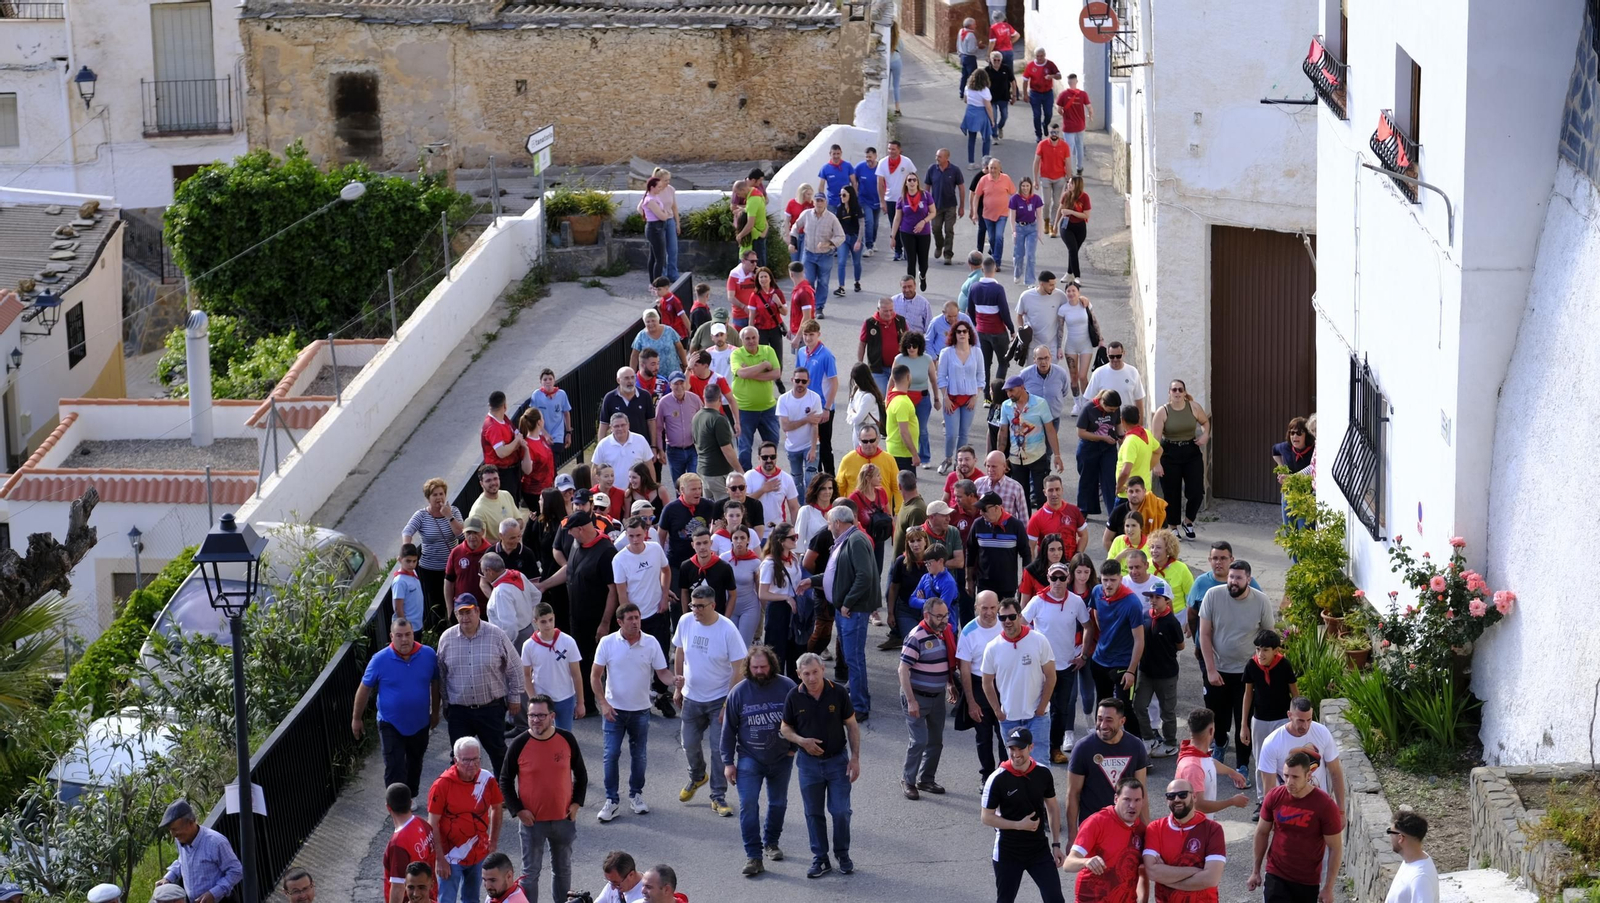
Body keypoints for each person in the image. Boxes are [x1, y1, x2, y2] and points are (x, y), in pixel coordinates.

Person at [780, 652, 862, 878]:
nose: (812, 678)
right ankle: (821, 858)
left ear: (823, 669)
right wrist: (801, 741)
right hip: (808, 765)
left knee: (841, 811)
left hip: (837, 761)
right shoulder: (793, 697)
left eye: (815, 672)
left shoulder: (838, 692)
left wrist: (855, 758)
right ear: (798, 675)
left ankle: (842, 854)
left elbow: (852, 726)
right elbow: (785, 728)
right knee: (813, 813)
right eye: (806, 674)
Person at [591, 603, 676, 822]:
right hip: (614, 711)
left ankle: (636, 795)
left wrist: (676, 680)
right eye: (630, 618)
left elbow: (663, 673)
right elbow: (595, 676)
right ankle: (611, 800)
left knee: (639, 756)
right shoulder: (607, 643)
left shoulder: (651, 643)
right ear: (619, 622)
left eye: (637, 617)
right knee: (611, 754)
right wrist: (603, 703)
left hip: (640, 710)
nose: (635, 622)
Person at [672, 582, 749, 817]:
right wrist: (679, 686)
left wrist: (728, 702)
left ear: (713, 605)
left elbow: (739, 667)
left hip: (719, 700)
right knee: (689, 744)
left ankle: (718, 796)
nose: (695, 610)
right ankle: (697, 776)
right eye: (693, 605)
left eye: (700, 606)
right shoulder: (685, 621)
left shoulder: (727, 630)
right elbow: (679, 651)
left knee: (719, 750)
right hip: (691, 697)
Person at [500, 694, 587, 903]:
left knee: (563, 871)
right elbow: (504, 780)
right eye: (531, 715)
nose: (535, 720)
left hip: (563, 820)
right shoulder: (519, 744)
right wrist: (518, 810)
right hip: (532, 823)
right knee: (530, 875)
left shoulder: (567, 739)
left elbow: (581, 775)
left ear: (552, 716)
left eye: (540, 715)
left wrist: (576, 804)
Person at [720, 645, 798, 876]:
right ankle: (753, 856)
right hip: (749, 758)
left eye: (764, 666)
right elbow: (728, 730)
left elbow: (801, 719)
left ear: (771, 665)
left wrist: (794, 747)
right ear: (748, 667)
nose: (760, 671)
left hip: (782, 757)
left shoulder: (788, 687)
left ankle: (771, 843)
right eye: (755, 667)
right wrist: (728, 763)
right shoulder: (739, 692)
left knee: (778, 803)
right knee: (748, 805)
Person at [1199, 560, 1276, 774]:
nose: (1233, 582)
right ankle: (1220, 744)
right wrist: (1211, 669)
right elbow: (1204, 634)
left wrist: (1260, 666)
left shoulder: (1261, 601)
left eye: (1238, 578)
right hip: (1217, 669)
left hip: (1246, 673)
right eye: (1231, 577)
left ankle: (1242, 764)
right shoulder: (1213, 595)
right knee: (1217, 715)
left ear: (1248, 579)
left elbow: (1269, 636)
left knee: (1244, 719)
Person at [355, 617, 441, 797]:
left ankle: (411, 796)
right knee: (394, 765)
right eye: (399, 635)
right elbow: (364, 688)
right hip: (390, 722)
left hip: (419, 722)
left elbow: (435, 683)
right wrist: (356, 718)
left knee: (415, 762)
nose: (404, 640)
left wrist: (435, 712)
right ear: (391, 636)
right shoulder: (379, 659)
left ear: (413, 634)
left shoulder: (428, 655)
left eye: (408, 634)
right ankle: (396, 803)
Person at [438, 594, 522, 778]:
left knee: (499, 753)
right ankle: (464, 798)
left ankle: (503, 795)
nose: (465, 617)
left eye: (469, 612)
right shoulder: (446, 638)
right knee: (459, 757)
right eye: (461, 613)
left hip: (490, 709)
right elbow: (442, 675)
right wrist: (446, 704)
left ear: (477, 611)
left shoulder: (496, 635)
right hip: (459, 711)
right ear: (455, 614)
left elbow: (515, 668)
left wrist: (515, 698)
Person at [983, 727, 1067, 903]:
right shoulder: (997, 778)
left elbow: (1052, 807)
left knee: (1055, 899)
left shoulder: (1043, 773)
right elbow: (986, 817)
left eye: (1020, 748)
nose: (1015, 754)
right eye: (1012, 749)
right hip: (1008, 852)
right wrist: (1018, 825)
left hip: (1039, 850)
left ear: (1031, 747)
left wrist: (1056, 844)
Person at [1248, 752, 1344, 903]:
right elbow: (1261, 832)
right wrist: (1255, 871)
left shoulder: (1325, 805)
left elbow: (1335, 848)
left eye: (1295, 777)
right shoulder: (1274, 796)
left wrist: (1328, 888)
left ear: (1308, 776)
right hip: (1276, 874)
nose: (1289, 782)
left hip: (1306, 881)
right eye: (1286, 776)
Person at [1023, 562, 1092, 763]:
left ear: (1068, 578)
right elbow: (1021, 624)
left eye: (1062, 578)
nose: (1058, 582)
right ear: (1048, 577)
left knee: (1061, 710)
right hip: (1041, 667)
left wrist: (1084, 655)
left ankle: (1055, 749)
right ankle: (1031, 749)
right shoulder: (1037, 601)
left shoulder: (1076, 602)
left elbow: (1088, 626)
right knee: (1037, 708)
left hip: (1066, 666)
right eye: (1054, 578)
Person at [981, 597, 1057, 766]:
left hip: (1037, 717)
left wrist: (1041, 708)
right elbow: (986, 682)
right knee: (1015, 765)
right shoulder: (992, 647)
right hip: (1009, 718)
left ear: (1020, 616)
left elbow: (1051, 676)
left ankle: (1041, 794)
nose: (1007, 621)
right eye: (1002, 618)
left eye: (1011, 617)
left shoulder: (1039, 640)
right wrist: (997, 712)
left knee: (1040, 764)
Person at [427, 736, 503, 903]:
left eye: (476, 759)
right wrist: (439, 858)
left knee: (472, 899)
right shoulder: (442, 785)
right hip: (450, 856)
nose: (472, 764)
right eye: (466, 760)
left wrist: (493, 841)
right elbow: (432, 823)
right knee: (446, 899)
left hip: (478, 852)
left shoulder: (487, 779)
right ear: (456, 760)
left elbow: (497, 808)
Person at [1065, 698, 1150, 843]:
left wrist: (1147, 834)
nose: (1103, 725)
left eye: (1109, 720)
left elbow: (1141, 794)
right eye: (1099, 719)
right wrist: (1072, 836)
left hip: (1126, 827)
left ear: (1122, 721)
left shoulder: (1136, 746)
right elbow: (1073, 794)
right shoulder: (1083, 748)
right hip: (1093, 828)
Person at [897, 595, 958, 799]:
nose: (944, 620)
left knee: (935, 741)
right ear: (926, 615)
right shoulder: (917, 636)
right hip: (917, 696)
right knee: (919, 741)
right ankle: (908, 780)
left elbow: (945, 661)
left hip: (937, 696)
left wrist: (949, 684)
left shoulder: (943, 633)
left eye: (946, 615)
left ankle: (926, 780)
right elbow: (903, 669)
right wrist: (911, 700)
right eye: (939, 616)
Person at [826, 504, 880, 718]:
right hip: (845, 610)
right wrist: (812, 582)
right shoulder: (848, 539)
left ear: (838, 523)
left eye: (829, 522)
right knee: (853, 657)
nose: (828, 526)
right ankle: (858, 699)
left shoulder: (856, 540)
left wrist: (847, 603)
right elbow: (839, 574)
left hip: (852, 611)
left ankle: (859, 706)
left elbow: (864, 576)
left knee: (854, 658)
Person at [1255, 698, 1348, 814]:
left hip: (1319, 808)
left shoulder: (1322, 733)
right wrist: (1271, 819)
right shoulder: (1272, 743)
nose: (1305, 726)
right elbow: (1269, 789)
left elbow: (1335, 772)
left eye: (1309, 720)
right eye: (1300, 721)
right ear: (1289, 715)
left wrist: (1341, 811)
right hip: (1288, 810)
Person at [1085, 559, 1145, 737]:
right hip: (1100, 660)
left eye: (1112, 580)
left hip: (1122, 664)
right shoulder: (1097, 592)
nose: (1108, 584)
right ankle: (1102, 744)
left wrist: (1131, 671)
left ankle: (1139, 751)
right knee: (1102, 707)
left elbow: (1139, 640)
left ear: (1120, 578)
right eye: (1105, 580)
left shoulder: (1132, 603)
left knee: (1124, 707)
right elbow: (1096, 613)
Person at [1142, 779, 1227, 902]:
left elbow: (1210, 879)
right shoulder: (1155, 828)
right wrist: (1195, 871)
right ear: (1167, 800)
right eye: (1171, 796)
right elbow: (1152, 872)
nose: (1176, 799)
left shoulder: (1213, 829)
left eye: (1182, 794)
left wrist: (1167, 879)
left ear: (1194, 796)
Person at [1063, 778, 1146, 903]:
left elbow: (1143, 871)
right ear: (1116, 799)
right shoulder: (1096, 822)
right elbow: (1068, 864)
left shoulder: (1141, 829)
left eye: (1137, 800)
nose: (1132, 805)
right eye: (1127, 799)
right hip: (1091, 899)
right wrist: (1086, 861)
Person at [957, 590, 1007, 786]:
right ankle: (987, 775)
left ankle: (1005, 774)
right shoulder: (969, 632)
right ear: (976, 607)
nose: (989, 612)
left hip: (1002, 684)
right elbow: (965, 669)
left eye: (993, 607)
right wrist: (971, 701)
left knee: (1005, 733)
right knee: (983, 736)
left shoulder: (1006, 624)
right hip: (979, 685)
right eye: (984, 608)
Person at [1151, 379, 1210, 539]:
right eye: (1174, 390)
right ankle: (1173, 526)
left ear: (1184, 392)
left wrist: (1205, 435)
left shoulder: (1194, 407)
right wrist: (1156, 463)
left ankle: (1188, 521)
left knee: (1197, 491)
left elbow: (1205, 422)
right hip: (1169, 452)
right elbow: (1154, 440)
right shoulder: (1162, 412)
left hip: (1191, 450)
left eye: (1180, 390)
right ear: (1169, 393)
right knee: (1171, 492)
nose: (1177, 393)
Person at [154, 799, 243, 903]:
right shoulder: (180, 839)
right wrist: (168, 878)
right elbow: (182, 861)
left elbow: (236, 871)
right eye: (170, 830)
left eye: (175, 829)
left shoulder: (216, 842)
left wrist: (213, 893)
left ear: (191, 822)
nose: (173, 834)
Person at [404, 478, 464, 630]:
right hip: (430, 569)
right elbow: (407, 531)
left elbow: (461, 534)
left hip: (452, 568)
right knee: (436, 606)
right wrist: (407, 552)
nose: (439, 498)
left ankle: (457, 628)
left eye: (441, 494)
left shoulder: (453, 511)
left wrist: (448, 516)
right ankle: (440, 634)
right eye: (434, 495)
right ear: (428, 498)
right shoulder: (422, 515)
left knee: (456, 601)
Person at [1240, 628, 1299, 784]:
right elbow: (1248, 694)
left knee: (1283, 760)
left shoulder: (1284, 665)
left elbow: (1295, 694)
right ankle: (1262, 800)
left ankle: (1283, 794)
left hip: (1282, 719)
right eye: (1258, 649)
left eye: (1265, 650)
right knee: (1260, 760)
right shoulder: (1252, 665)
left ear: (1275, 650)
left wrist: (1296, 719)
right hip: (1260, 719)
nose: (1260, 654)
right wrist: (1244, 724)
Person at [1134, 581, 1184, 757]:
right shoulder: (1144, 616)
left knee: (1167, 711)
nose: (1153, 600)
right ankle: (1149, 738)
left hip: (1166, 674)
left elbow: (1181, 645)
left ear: (1167, 600)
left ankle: (1171, 743)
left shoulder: (1171, 622)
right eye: (1151, 597)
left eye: (1158, 597)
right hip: (1146, 672)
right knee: (1139, 705)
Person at [998, 373, 1063, 510]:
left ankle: (1042, 527)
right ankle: (1026, 528)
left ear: (1022, 387)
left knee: (1041, 496)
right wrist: (1000, 457)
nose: (1009, 394)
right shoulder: (1006, 406)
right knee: (1021, 499)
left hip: (1037, 456)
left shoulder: (1040, 403)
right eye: (1007, 391)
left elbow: (1050, 430)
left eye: (1011, 390)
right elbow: (1003, 432)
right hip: (1016, 459)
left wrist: (1057, 455)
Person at [521, 603, 585, 732]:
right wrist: (533, 699)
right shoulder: (529, 645)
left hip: (565, 697)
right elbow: (526, 675)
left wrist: (581, 702)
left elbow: (576, 674)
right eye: (543, 622)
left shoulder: (568, 641)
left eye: (551, 620)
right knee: (541, 734)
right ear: (535, 622)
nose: (548, 625)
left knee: (564, 735)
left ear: (554, 617)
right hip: (542, 698)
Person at [1176, 708, 1251, 814]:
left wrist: (1232, 772)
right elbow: (1199, 805)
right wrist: (1232, 802)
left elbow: (1209, 763)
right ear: (1211, 730)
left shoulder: (1198, 754)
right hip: (1196, 829)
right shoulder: (1192, 767)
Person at [965, 491, 1030, 606]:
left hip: (1007, 586)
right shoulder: (978, 525)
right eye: (980, 509)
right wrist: (969, 580)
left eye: (984, 509)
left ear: (996, 508)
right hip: (984, 584)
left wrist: (1025, 582)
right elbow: (970, 552)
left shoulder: (1015, 526)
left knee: (1005, 620)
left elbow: (1026, 554)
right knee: (985, 619)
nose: (981, 513)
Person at [731, 326, 782, 471]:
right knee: (744, 449)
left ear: (758, 338)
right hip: (744, 410)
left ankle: (769, 474)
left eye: (754, 338)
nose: (751, 341)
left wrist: (752, 372)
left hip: (768, 409)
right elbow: (741, 374)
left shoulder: (768, 350)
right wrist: (764, 365)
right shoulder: (736, 354)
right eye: (747, 338)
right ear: (742, 340)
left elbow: (776, 373)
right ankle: (746, 481)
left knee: (771, 447)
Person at [969, 255, 1016, 395]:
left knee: (985, 365)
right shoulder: (998, 289)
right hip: (998, 332)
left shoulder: (974, 287)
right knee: (1003, 362)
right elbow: (1005, 313)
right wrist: (1012, 329)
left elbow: (970, 311)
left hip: (981, 332)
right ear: (994, 268)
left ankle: (986, 397)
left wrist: (977, 324)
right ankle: (997, 394)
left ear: (982, 269)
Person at [1075, 389, 1123, 517]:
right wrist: (1102, 438)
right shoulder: (1088, 408)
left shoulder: (1115, 409)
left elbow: (1118, 424)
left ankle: (1113, 513)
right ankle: (1083, 511)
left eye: (1115, 410)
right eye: (1111, 409)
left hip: (1108, 448)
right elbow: (1081, 432)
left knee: (1110, 480)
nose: (1113, 411)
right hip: (1089, 447)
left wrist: (1121, 439)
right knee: (1087, 479)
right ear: (1103, 403)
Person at [791, 190, 846, 301]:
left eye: (822, 201)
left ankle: (819, 307)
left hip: (825, 255)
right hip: (809, 253)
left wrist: (829, 243)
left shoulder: (832, 218)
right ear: (813, 202)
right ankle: (810, 305)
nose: (819, 203)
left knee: (823, 282)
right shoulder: (806, 214)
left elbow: (841, 236)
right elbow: (795, 227)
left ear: (825, 203)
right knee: (808, 281)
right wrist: (793, 242)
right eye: (817, 201)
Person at [1017, 279, 1068, 394]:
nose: (1053, 287)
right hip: (1032, 345)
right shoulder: (1026, 296)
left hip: (1052, 344)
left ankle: (1049, 403)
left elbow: (1072, 303)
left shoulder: (1059, 295)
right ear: (1041, 283)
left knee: (1052, 377)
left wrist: (1085, 301)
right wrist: (1021, 332)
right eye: (1050, 284)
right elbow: (1019, 315)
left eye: (1054, 284)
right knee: (1031, 376)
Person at [654, 372, 703, 486]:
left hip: (693, 449)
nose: (679, 386)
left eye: (682, 383)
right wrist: (660, 450)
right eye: (676, 384)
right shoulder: (663, 403)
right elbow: (658, 428)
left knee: (694, 484)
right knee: (679, 485)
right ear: (670, 385)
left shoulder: (694, 399)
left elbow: (703, 420)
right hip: (674, 451)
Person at [482, 551, 538, 648]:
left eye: (483, 572)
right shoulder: (519, 575)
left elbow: (510, 626)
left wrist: (505, 646)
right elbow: (536, 595)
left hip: (516, 640)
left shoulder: (501, 592)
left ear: (489, 571)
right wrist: (526, 612)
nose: (484, 576)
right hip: (529, 629)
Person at [892, 171, 936, 288]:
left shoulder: (925, 195)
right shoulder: (902, 199)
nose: (912, 182)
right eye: (909, 180)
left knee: (923, 262)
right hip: (907, 232)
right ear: (906, 183)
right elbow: (897, 218)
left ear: (917, 182)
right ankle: (911, 286)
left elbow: (933, 212)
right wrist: (893, 236)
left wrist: (924, 221)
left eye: (914, 180)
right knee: (911, 260)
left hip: (923, 233)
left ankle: (922, 276)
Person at [875, 140, 917, 262]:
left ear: (899, 150)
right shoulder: (883, 163)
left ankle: (907, 250)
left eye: (893, 149)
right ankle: (898, 250)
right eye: (889, 149)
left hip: (906, 199)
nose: (891, 151)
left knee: (906, 225)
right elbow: (880, 183)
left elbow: (914, 178)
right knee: (895, 225)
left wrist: (914, 195)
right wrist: (882, 201)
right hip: (891, 199)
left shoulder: (906, 162)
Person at [482, 391, 525, 507]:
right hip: (502, 473)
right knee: (508, 506)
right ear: (504, 406)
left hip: (512, 470)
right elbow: (502, 452)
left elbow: (516, 433)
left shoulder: (503, 419)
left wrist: (513, 444)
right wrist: (516, 442)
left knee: (515, 503)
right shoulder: (492, 426)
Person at [1386, 812, 1440, 903]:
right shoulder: (1412, 860)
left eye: (1390, 831)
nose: (1390, 837)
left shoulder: (1420, 878)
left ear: (1400, 838)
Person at [1058, 282, 1096, 409]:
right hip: (1071, 346)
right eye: (1068, 291)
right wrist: (1059, 347)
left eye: (1073, 290)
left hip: (1086, 344)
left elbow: (1094, 321)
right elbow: (1060, 329)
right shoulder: (1063, 309)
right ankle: (1077, 403)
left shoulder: (1085, 304)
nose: (1071, 293)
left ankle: (1086, 402)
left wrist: (1100, 339)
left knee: (1082, 376)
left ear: (1078, 292)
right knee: (1073, 376)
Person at [1085, 342, 1146, 421]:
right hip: (1105, 421)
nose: (1115, 359)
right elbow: (1089, 399)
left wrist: (1139, 425)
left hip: (1128, 421)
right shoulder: (1098, 373)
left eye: (1118, 356)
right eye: (1112, 357)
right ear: (1107, 354)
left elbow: (1139, 400)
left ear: (1123, 353)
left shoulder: (1133, 372)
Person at [973, 157, 1016, 265]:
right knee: (992, 238)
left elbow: (1014, 194)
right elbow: (976, 196)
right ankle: (994, 254)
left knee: (998, 237)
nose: (992, 170)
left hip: (1002, 214)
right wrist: (974, 213)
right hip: (987, 215)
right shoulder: (983, 180)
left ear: (1000, 168)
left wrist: (1017, 209)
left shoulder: (1006, 179)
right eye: (991, 168)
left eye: (995, 168)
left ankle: (997, 261)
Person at [926, 148, 966, 265]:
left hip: (950, 206)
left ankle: (948, 254)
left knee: (949, 230)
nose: (936, 158)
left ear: (946, 158)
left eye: (939, 157)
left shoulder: (954, 170)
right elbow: (927, 187)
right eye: (936, 156)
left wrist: (962, 206)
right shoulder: (932, 169)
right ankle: (939, 245)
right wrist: (926, 204)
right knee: (935, 228)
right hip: (935, 206)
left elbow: (961, 188)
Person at [746, 440, 799, 525]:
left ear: (776, 457)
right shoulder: (749, 476)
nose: (769, 460)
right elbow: (743, 503)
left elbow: (794, 508)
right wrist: (762, 490)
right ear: (759, 458)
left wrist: (795, 533)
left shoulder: (786, 479)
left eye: (772, 457)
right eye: (765, 457)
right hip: (755, 532)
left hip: (778, 532)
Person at [1115, 405, 1161, 503]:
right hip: (1144, 491)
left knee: (1118, 518)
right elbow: (1159, 451)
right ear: (1139, 417)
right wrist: (1147, 467)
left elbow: (1125, 471)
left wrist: (1118, 487)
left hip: (1129, 494)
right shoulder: (1146, 433)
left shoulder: (1130, 441)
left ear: (1122, 420)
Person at [529, 369, 574, 462]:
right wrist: (544, 433)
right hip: (542, 434)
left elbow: (566, 413)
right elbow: (533, 416)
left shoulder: (561, 394)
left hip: (557, 435)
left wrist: (568, 433)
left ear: (554, 380)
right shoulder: (536, 395)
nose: (548, 382)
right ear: (541, 382)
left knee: (553, 459)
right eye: (545, 379)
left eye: (550, 379)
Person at [1008, 178, 1045, 285]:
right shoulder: (1015, 198)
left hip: (1032, 229)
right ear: (1020, 187)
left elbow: (1039, 216)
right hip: (1019, 228)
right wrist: (1013, 231)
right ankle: (1017, 273)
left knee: (1030, 255)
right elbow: (1012, 216)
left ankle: (1030, 281)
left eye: (1027, 186)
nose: (1025, 188)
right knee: (1019, 254)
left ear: (1030, 187)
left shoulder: (1036, 199)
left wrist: (1039, 231)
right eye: (1023, 186)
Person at [975, 448, 1029, 518]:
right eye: (988, 466)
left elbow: (1023, 516)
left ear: (1004, 466)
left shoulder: (1015, 487)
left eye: (994, 466)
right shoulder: (978, 484)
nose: (990, 470)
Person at [1055, 74, 1093, 175]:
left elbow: (1059, 109)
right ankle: (1079, 168)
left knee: (1069, 149)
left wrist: (1065, 115)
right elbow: (1089, 107)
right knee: (1079, 147)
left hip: (1068, 126)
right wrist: (1090, 116)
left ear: (1068, 82)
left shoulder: (1063, 94)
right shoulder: (1083, 94)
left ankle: (1069, 170)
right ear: (1076, 82)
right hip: (1080, 125)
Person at [1056, 176, 1091, 279]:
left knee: (1073, 251)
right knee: (1072, 249)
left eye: (1071, 183)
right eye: (1068, 183)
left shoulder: (1085, 197)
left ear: (1077, 185)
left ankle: (1069, 273)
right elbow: (1060, 209)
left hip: (1080, 227)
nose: (1068, 185)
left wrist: (1071, 212)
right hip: (1066, 226)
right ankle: (1077, 277)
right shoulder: (1066, 195)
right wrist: (1054, 224)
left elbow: (1086, 215)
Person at [834, 185, 865, 296]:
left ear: (850, 195)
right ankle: (841, 287)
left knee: (856, 262)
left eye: (844, 195)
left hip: (855, 237)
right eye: (840, 195)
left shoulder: (857, 207)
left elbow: (862, 224)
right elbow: (836, 224)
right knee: (841, 262)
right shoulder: (839, 208)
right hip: (844, 238)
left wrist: (859, 240)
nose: (841, 197)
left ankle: (857, 281)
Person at [985, 48, 1018, 141]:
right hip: (991, 98)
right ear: (990, 60)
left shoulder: (1006, 68)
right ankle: (994, 135)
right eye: (994, 60)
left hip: (1004, 97)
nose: (996, 62)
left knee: (1004, 116)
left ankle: (1000, 127)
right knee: (993, 117)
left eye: (998, 60)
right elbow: (983, 85)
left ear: (1001, 60)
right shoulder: (987, 70)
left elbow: (1013, 82)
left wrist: (1014, 95)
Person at [854, 147, 882, 257]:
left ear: (875, 156)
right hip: (864, 201)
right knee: (868, 222)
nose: (868, 159)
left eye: (870, 157)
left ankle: (873, 242)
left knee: (875, 224)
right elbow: (853, 180)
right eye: (866, 157)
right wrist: (855, 195)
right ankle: (868, 247)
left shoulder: (881, 167)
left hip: (877, 200)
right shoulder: (860, 167)